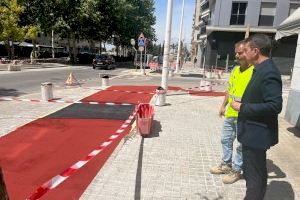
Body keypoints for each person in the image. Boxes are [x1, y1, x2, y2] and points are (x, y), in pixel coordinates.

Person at [231, 34, 282, 200]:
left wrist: (243, 107)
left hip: (256, 134)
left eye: (246, 51)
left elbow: (275, 106)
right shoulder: (261, 68)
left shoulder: (268, 72)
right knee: (257, 174)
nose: (243, 54)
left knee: (253, 176)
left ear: (255, 51)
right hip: (253, 133)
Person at [210, 40, 254, 184]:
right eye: (236, 52)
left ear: (248, 53)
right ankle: (226, 165)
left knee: (241, 145)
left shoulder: (254, 71)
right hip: (231, 113)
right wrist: (223, 105)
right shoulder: (235, 70)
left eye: (240, 53)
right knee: (226, 139)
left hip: (244, 116)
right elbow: (229, 90)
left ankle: (236, 170)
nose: (237, 55)